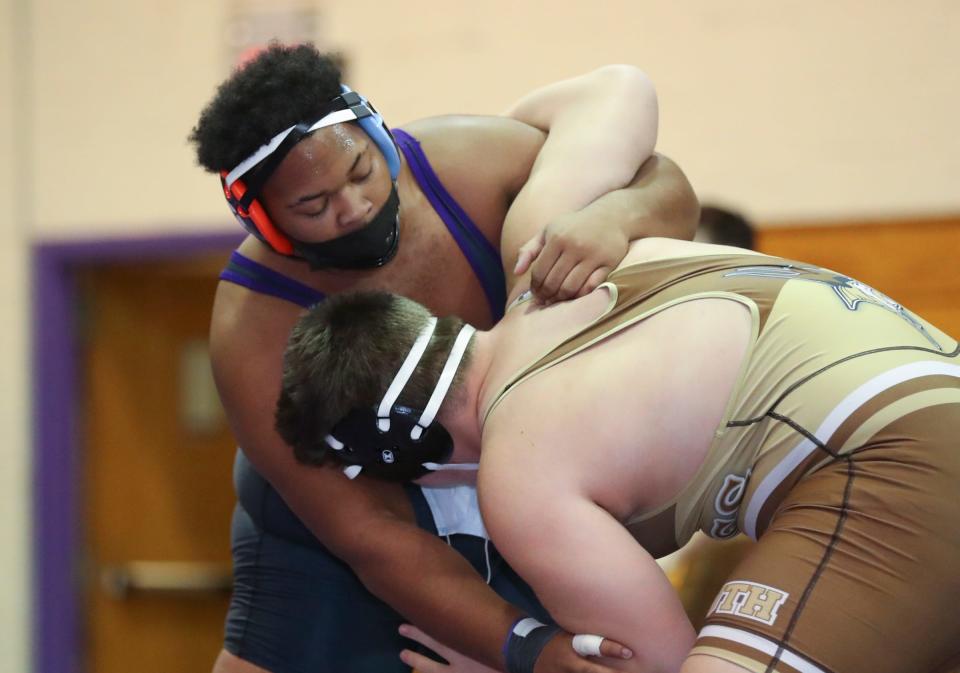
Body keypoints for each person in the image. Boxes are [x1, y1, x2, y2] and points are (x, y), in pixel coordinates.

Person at [189, 42, 700, 673]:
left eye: (360, 172)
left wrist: (620, 216)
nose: (354, 207)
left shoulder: (465, 162)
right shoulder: (252, 325)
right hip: (338, 520)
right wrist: (525, 647)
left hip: (502, 469)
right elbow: (367, 534)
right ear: (263, 220)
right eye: (313, 207)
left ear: (375, 132)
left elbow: (663, 179)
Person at [276, 235, 960, 673]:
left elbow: (659, 661)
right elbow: (615, 90)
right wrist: (617, 208)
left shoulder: (519, 464)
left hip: (895, 462)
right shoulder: (556, 271)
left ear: (412, 444)